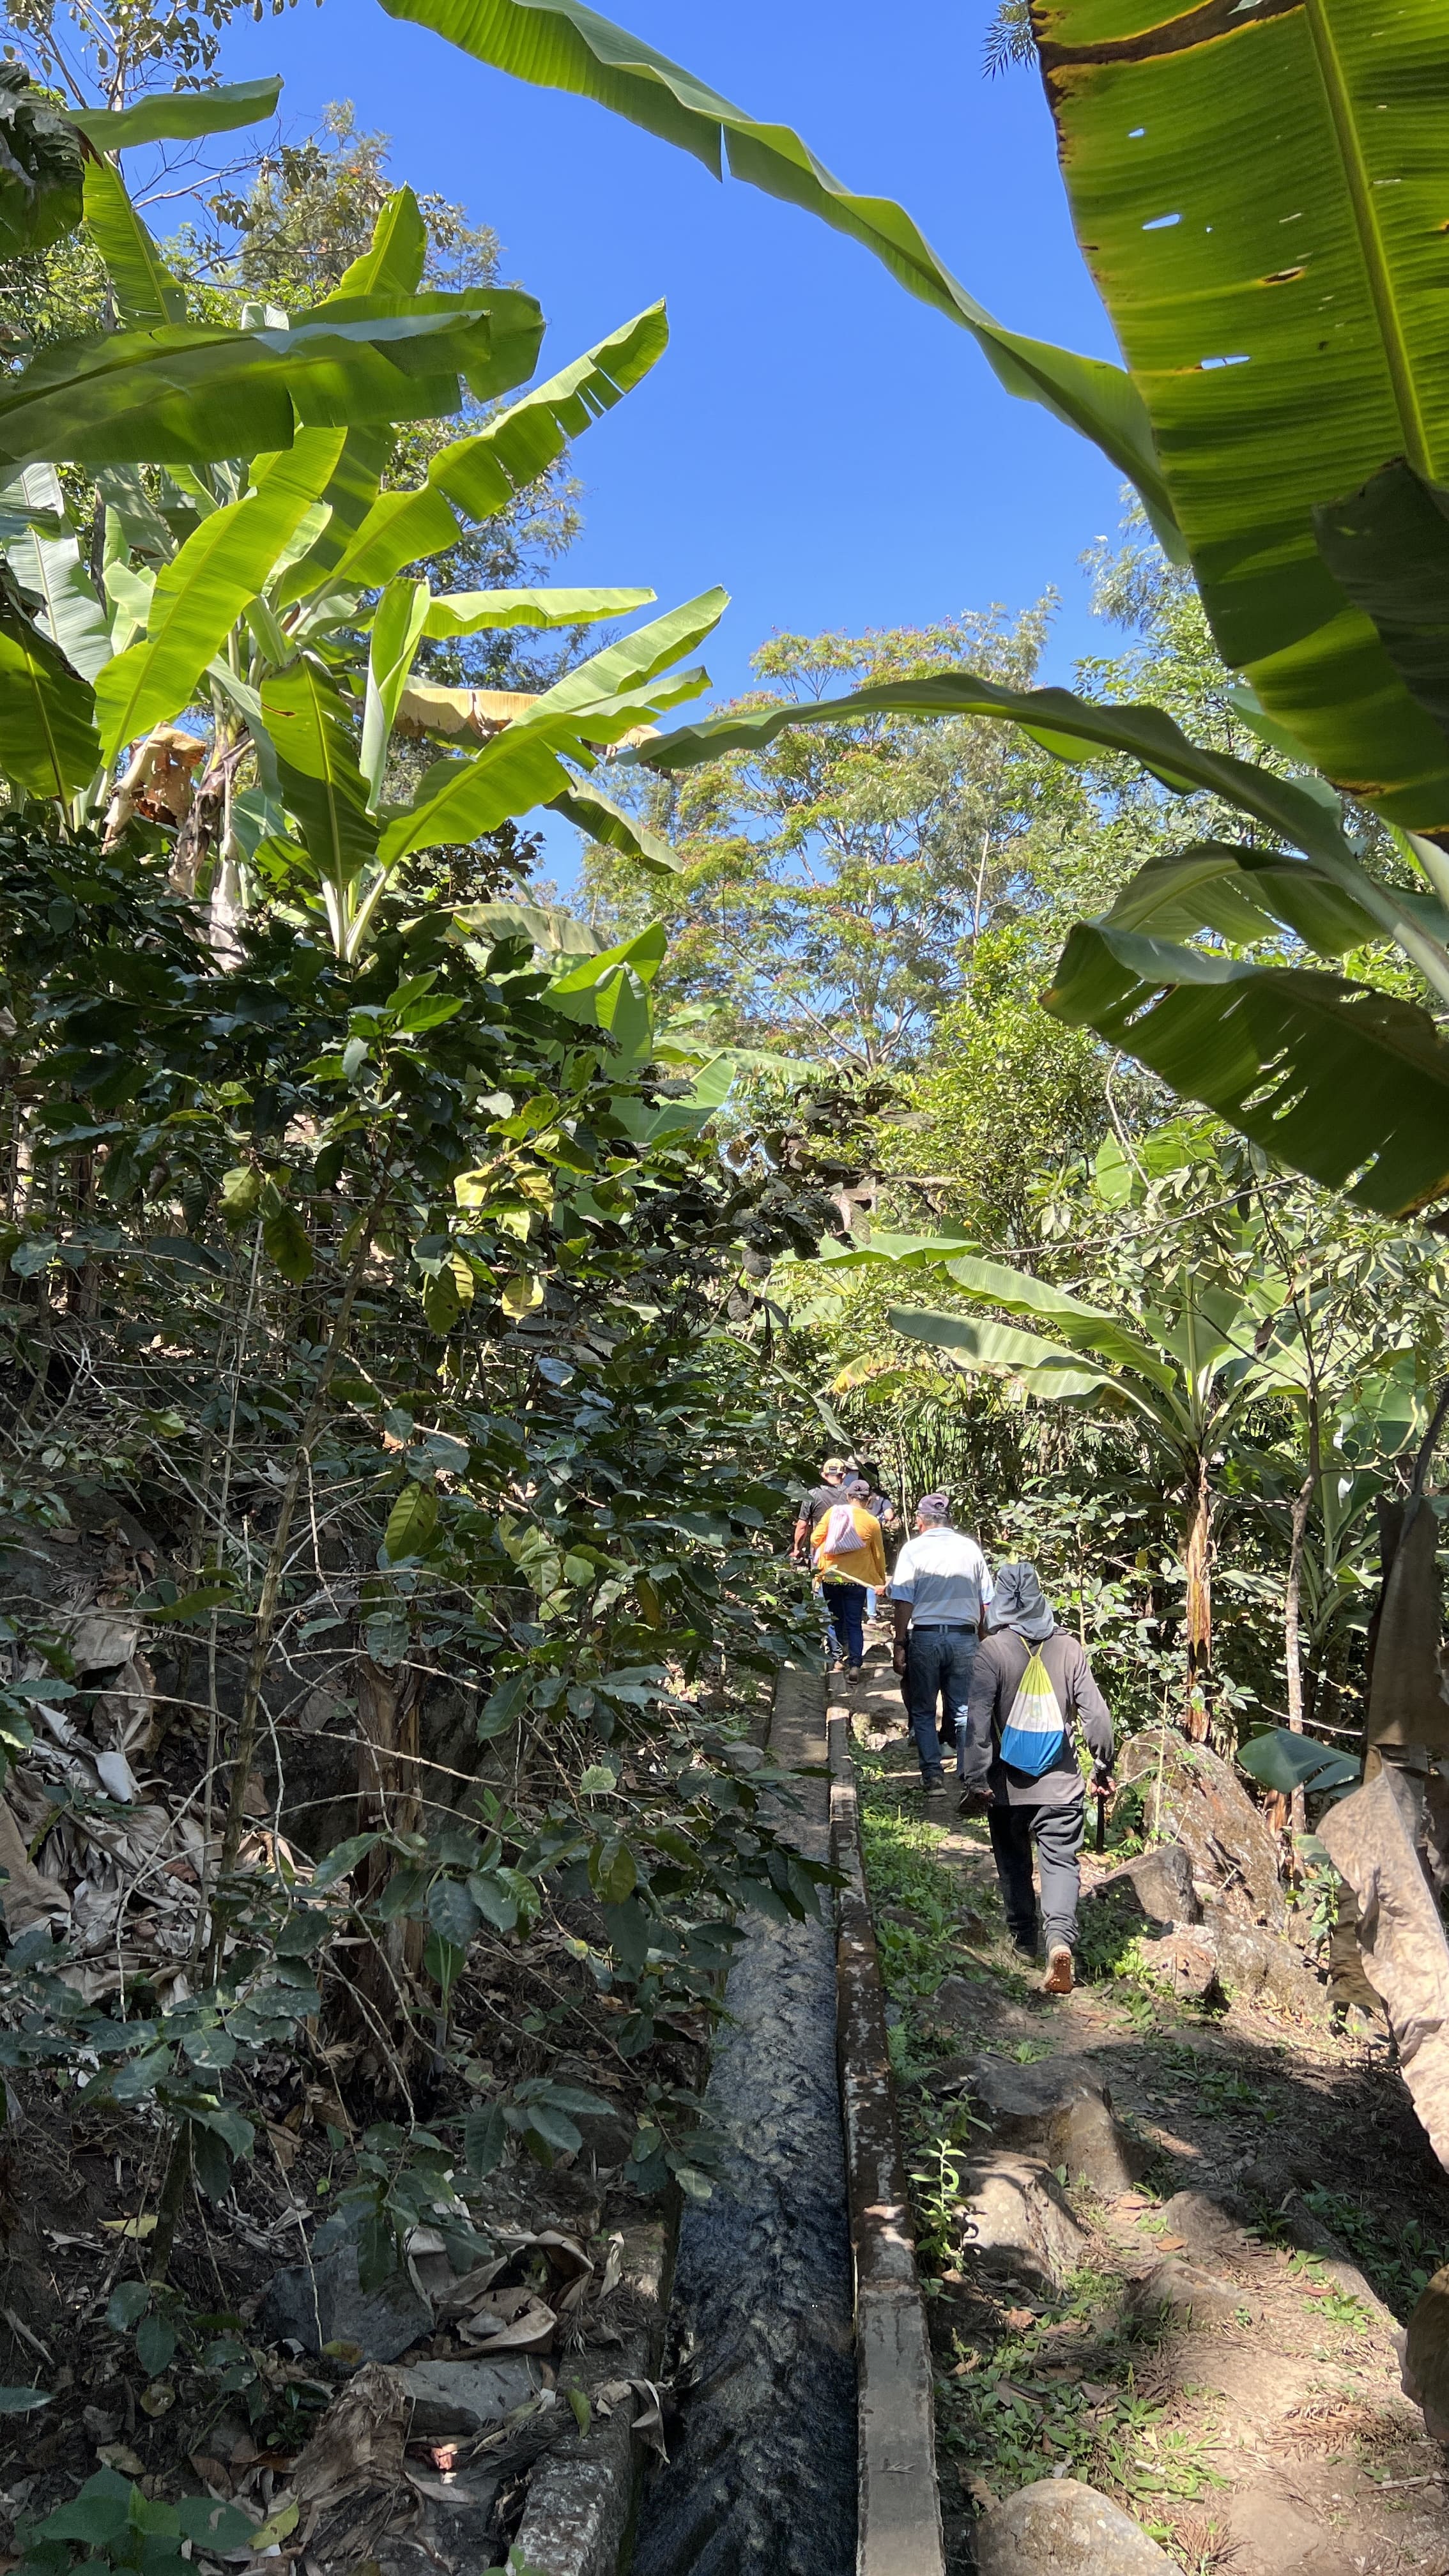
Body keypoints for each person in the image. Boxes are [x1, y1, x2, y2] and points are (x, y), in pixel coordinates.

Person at [960, 1561, 1114, 1997]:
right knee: (1061, 1862)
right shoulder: (1069, 1649)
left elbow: (976, 1718)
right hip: (1062, 1784)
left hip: (1006, 1786)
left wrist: (975, 1776)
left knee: (1013, 1858)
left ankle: (1024, 1938)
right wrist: (1103, 1765)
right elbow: (1097, 1719)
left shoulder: (992, 1651)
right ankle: (1060, 1941)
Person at [889, 1494, 995, 1793]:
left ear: (921, 1521)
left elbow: (903, 1601)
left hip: (926, 1635)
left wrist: (899, 1644)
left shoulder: (914, 1549)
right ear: (949, 1520)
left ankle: (932, 1776)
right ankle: (967, 1777)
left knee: (923, 1709)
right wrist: (983, 1638)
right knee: (964, 1710)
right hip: (965, 1637)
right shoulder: (970, 1549)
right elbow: (985, 1600)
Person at [811, 1475, 887, 1677]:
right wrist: (880, 1581)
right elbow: (878, 1554)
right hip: (857, 1580)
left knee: (835, 1618)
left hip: (832, 1576)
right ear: (868, 1499)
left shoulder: (833, 1514)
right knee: (854, 1623)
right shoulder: (872, 1522)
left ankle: (837, 1660)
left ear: (848, 1495)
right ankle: (855, 1664)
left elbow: (815, 1538)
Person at [855, 1459, 900, 1622]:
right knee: (872, 1575)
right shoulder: (880, 1495)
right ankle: (872, 1614)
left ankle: (856, 1611)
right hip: (874, 1537)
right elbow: (889, 1515)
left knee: (855, 1574)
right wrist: (878, 1518)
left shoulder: (854, 1492)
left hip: (855, 1538)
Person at [792, 1457, 848, 1566]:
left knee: (819, 1579)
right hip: (846, 1549)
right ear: (844, 1475)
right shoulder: (850, 1496)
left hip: (820, 1548)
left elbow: (802, 1526)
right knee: (842, 1580)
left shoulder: (812, 1495)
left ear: (823, 1475)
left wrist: (797, 1548)